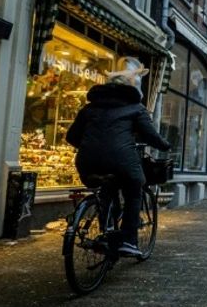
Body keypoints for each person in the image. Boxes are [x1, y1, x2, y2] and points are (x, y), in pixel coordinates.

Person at [66, 58, 171, 257]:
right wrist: (165, 145)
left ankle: (105, 230)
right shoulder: (135, 108)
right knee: (135, 185)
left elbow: (71, 136)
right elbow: (150, 136)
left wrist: (90, 147)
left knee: (107, 187)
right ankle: (129, 240)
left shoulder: (89, 108)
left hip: (87, 161)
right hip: (121, 158)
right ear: (133, 89)